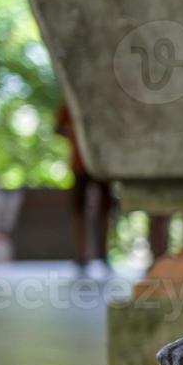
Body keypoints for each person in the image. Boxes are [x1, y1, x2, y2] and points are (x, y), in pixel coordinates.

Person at [56, 99, 112, 270]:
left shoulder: (104, 104)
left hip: (103, 164)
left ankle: (103, 253)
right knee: (79, 210)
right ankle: (82, 254)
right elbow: (58, 129)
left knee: (105, 209)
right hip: (80, 164)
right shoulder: (69, 103)